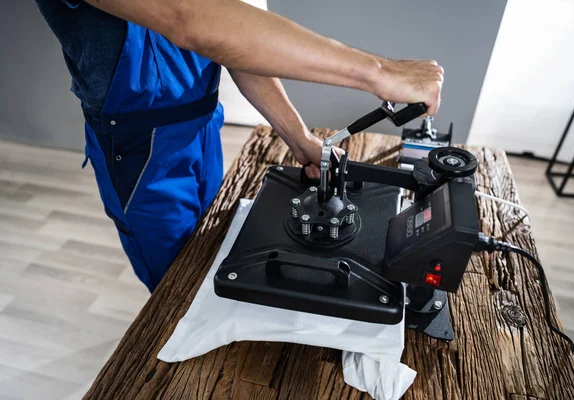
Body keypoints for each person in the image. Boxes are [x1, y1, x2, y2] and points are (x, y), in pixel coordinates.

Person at [35, 0, 444, 292]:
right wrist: (378, 72)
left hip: (202, 127)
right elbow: (190, 18)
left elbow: (234, 40)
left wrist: (296, 135)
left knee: (210, 248)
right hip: (140, 153)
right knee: (173, 286)